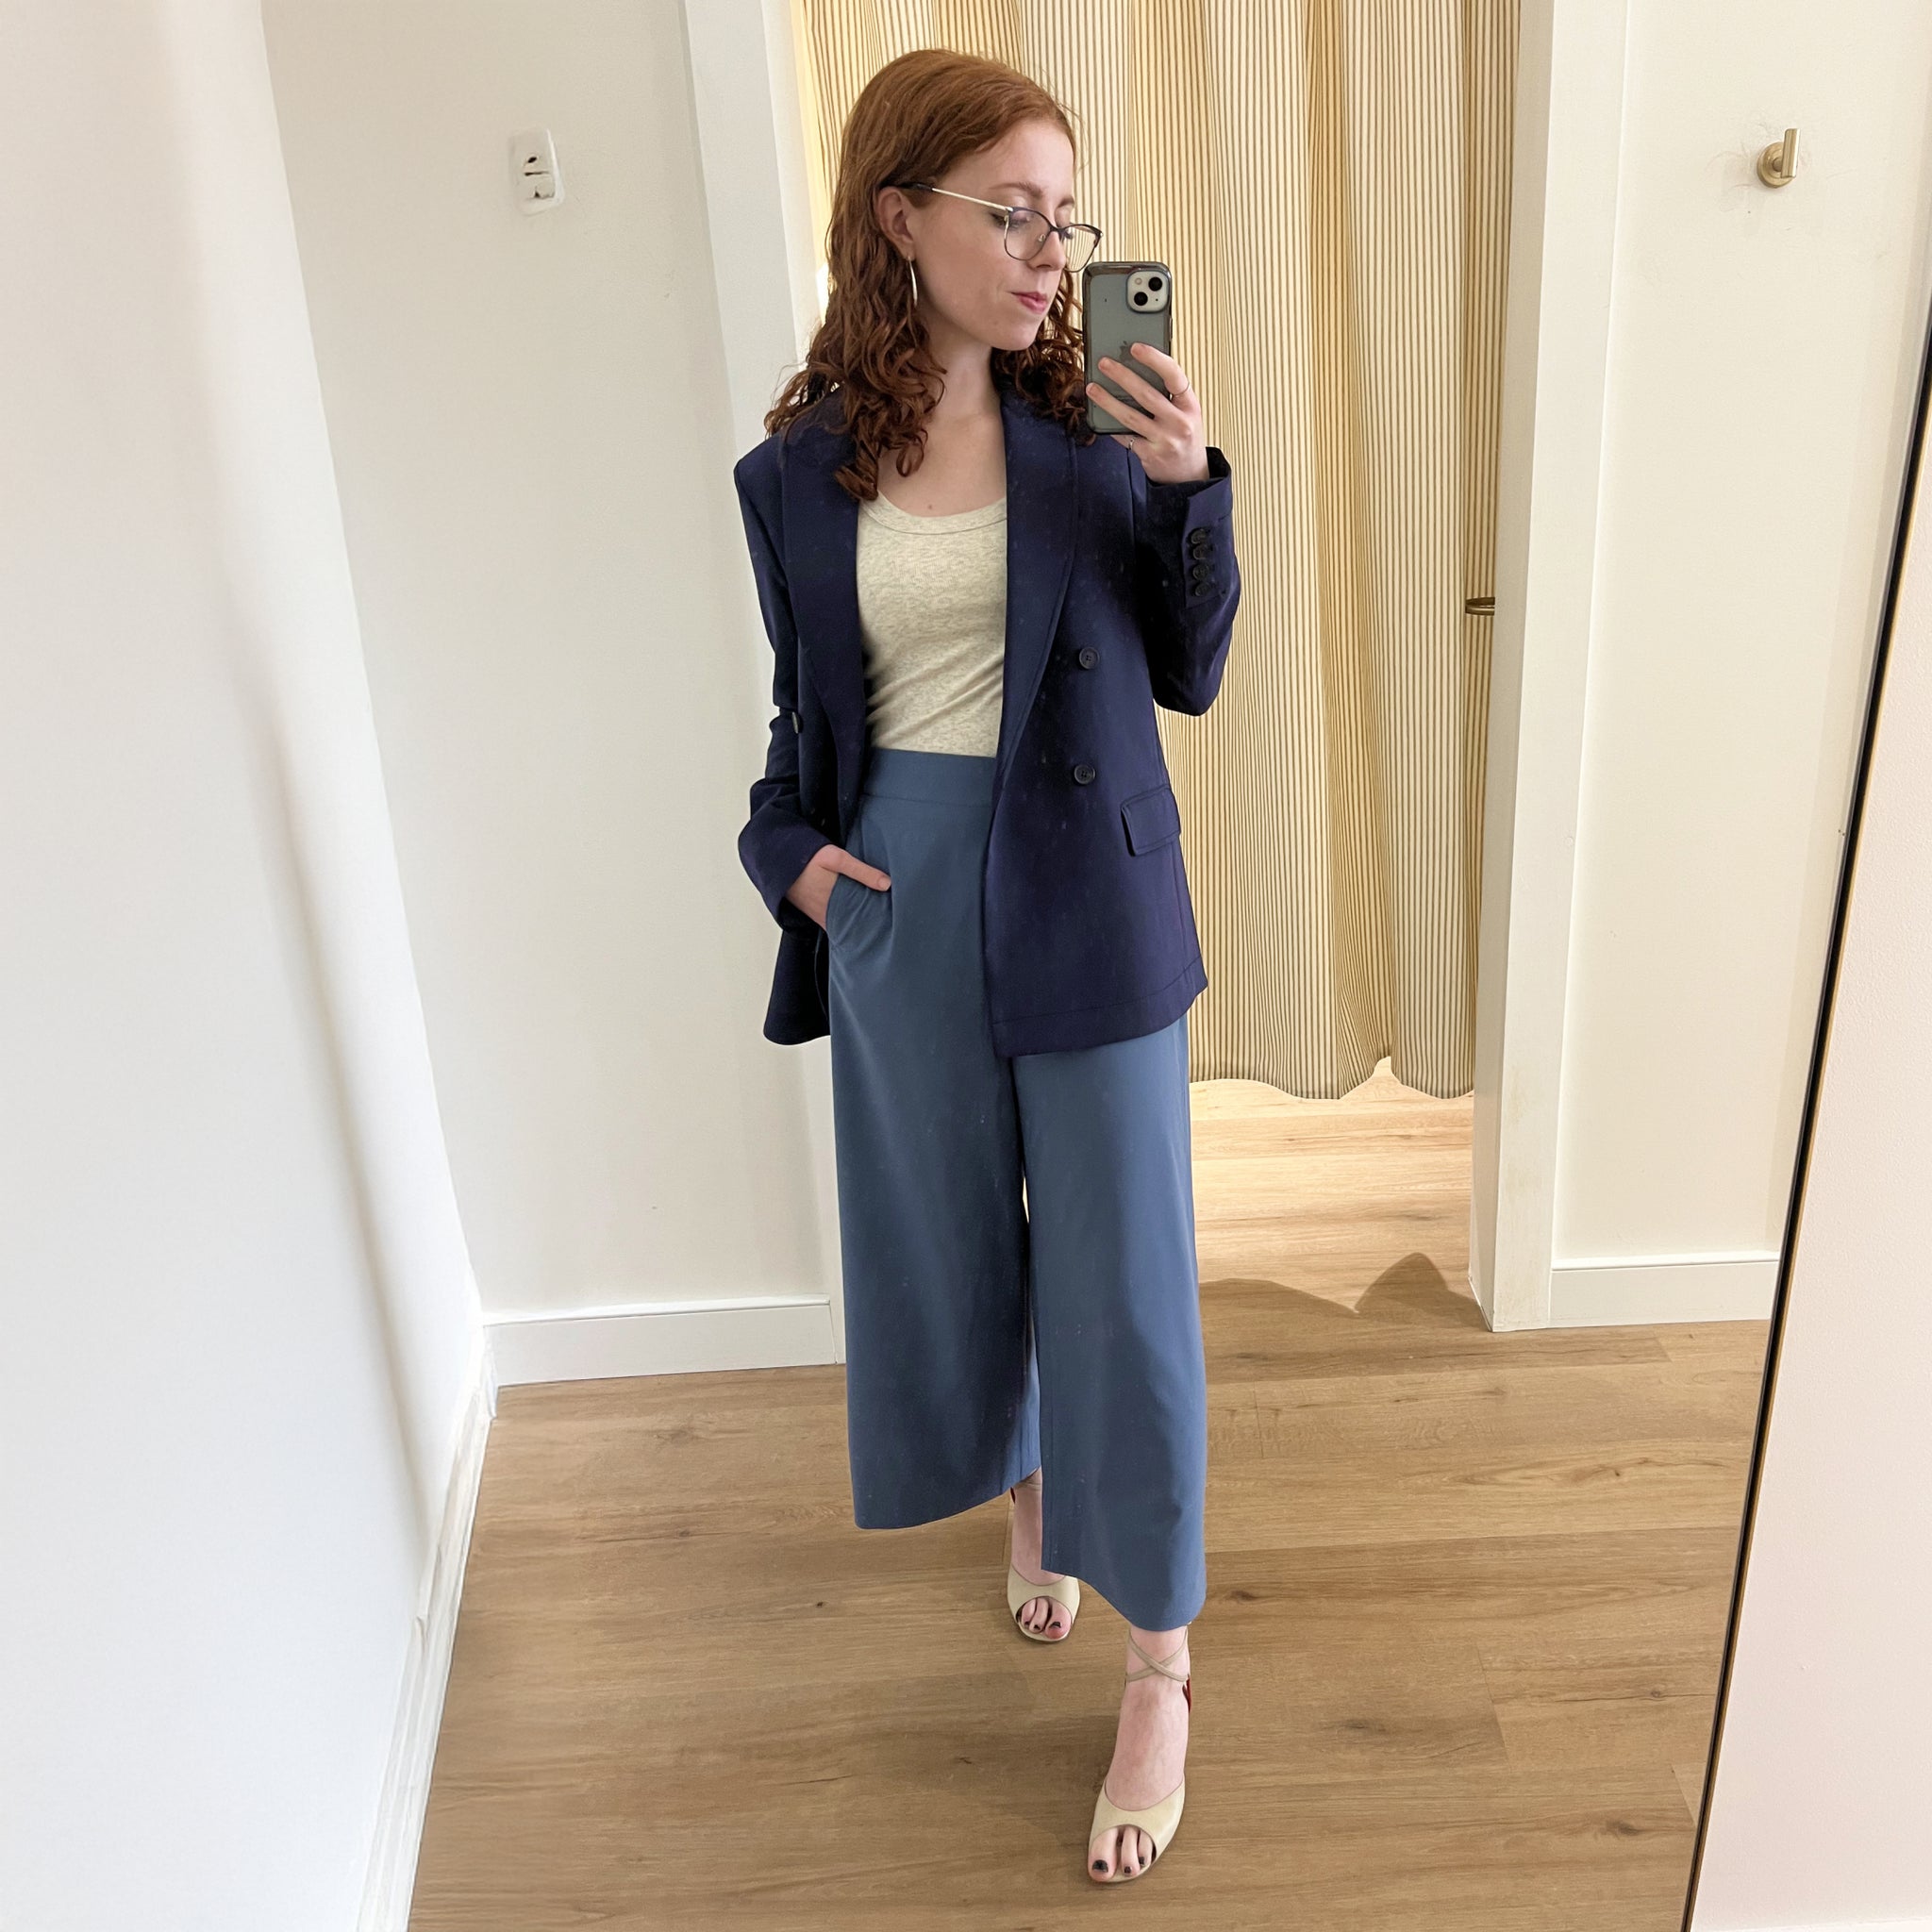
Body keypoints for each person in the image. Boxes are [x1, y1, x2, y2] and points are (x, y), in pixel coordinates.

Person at [730, 46, 1241, 1887]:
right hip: (898, 894)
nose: (1046, 253)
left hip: (1088, 897)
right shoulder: (794, 474)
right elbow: (802, 734)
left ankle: (1161, 1664)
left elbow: (1188, 670)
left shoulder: (1096, 437)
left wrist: (1188, 488)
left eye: (1063, 218)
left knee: (1124, 1286)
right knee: (957, 1244)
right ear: (900, 217)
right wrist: (795, 869)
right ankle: (1032, 1502)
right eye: (1009, 213)